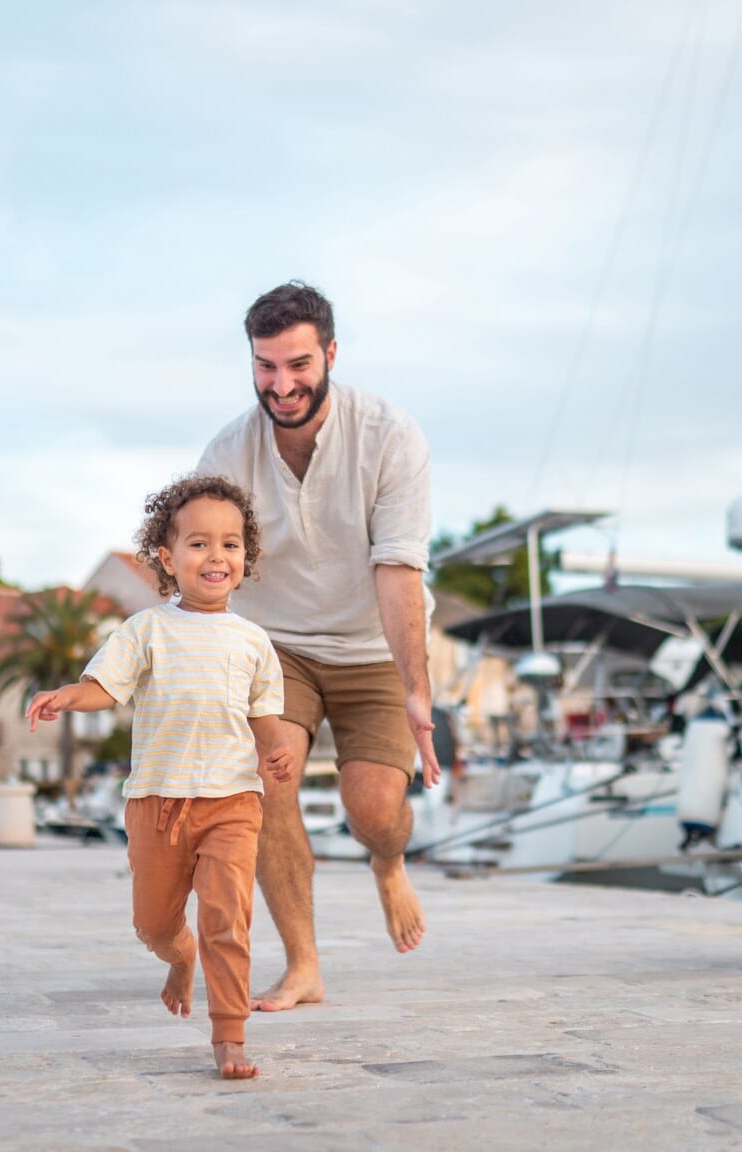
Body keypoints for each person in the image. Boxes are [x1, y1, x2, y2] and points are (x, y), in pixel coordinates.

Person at [196, 281, 441, 1013]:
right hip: (280, 648)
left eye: (299, 365)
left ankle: (388, 861)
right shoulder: (226, 453)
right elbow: (207, 567)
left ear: (331, 353)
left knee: (374, 808)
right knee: (266, 780)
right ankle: (303, 965)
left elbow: (397, 570)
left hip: (373, 643)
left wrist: (417, 690)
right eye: (266, 366)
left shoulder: (390, 436)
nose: (282, 385)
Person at [27, 475, 295, 1080]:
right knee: (152, 924)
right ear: (168, 559)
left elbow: (264, 718)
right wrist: (68, 695)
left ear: (245, 558)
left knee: (227, 917)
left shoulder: (254, 642)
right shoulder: (146, 630)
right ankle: (179, 958)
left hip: (232, 800)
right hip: (156, 803)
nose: (216, 556)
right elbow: (105, 687)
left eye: (230, 544)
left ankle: (229, 1035)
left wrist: (277, 750)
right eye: (199, 543)